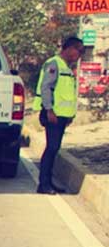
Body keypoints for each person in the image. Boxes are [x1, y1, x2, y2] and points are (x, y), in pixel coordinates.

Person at [36, 36, 84, 195]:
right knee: (52, 148)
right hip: (53, 114)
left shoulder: (66, 67)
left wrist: (70, 115)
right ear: (69, 48)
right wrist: (49, 110)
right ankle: (43, 184)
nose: (80, 54)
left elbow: (67, 93)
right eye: (79, 50)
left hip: (61, 115)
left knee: (54, 149)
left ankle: (48, 182)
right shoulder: (54, 63)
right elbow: (46, 88)